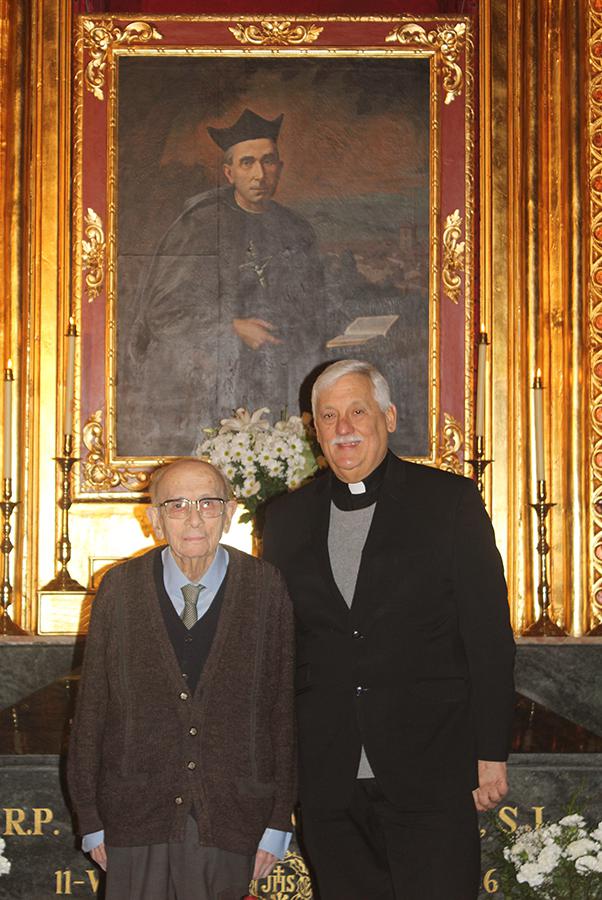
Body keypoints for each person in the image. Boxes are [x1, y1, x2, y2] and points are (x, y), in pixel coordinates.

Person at [262, 359, 516, 900]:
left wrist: (491, 750)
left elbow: (488, 636)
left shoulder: (449, 502)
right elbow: (280, 649)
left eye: (358, 411)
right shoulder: (285, 519)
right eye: (328, 416)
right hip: (329, 775)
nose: (343, 428)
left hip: (431, 767)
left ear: (390, 417)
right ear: (315, 430)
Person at [68, 458, 296, 900]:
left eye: (208, 503)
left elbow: (281, 712)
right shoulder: (119, 589)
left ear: (229, 513)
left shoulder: (265, 588)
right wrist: (90, 820)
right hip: (134, 819)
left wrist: (276, 820)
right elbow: (92, 710)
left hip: (232, 820)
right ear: (154, 518)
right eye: (177, 505)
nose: (194, 518)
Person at [120, 109, 325, 457]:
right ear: (229, 172)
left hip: (283, 385)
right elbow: (163, 313)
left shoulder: (296, 230)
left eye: (268, 161)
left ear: (280, 167)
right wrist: (231, 327)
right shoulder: (200, 225)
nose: (259, 174)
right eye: (247, 163)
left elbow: (312, 307)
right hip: (214, 388)